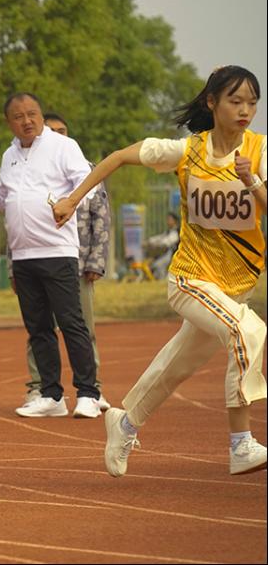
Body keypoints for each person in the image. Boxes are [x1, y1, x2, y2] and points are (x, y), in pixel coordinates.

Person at [52, 65, 267, 477]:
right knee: (249, 331)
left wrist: (253, 182)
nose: (245, 110)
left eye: (252, 102)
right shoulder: (185, 153)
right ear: (212, 103)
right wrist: (71, 200)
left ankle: (125, 422)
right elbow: (117, 157)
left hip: (235, 286)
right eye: (235, 101)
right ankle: (241, 443)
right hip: (189, 279)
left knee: (173, 368)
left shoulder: (259, 151)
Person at [0, 93, 101, 419]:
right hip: (22, 255)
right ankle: (51, 395)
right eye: (19, 116)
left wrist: (71, 201)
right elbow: (3, 198)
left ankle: (89, 393)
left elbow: (89, 183)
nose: (27, 121)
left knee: (71, 323)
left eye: (32, 114)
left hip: (58, 250)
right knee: (38, 328)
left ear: (40, 115)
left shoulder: (64, 147)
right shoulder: (9, 155)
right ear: (9, 122)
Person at [21, 113, 111, 411]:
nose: (57, 135)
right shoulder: (30, 170)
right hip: (36, 262)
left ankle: (92, 388)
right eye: (52, 131)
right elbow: (17, 221)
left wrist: (96, 261)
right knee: (40, 327)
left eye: (63, 130)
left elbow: (102, 218)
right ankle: (39, 388)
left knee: (82, 326)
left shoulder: (87, 170)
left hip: (78, 262)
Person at [146, 212, 180, 280]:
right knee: (154, 265)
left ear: (175, 221)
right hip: (167, 254)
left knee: (158, 265)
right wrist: (149, 241)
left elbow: (167, 242)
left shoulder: (176, 232)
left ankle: (162, 280)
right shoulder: (168, 231)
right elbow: (160, 237)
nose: (168, 221)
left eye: (170, 219)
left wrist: (156, 244)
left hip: (174, 255)